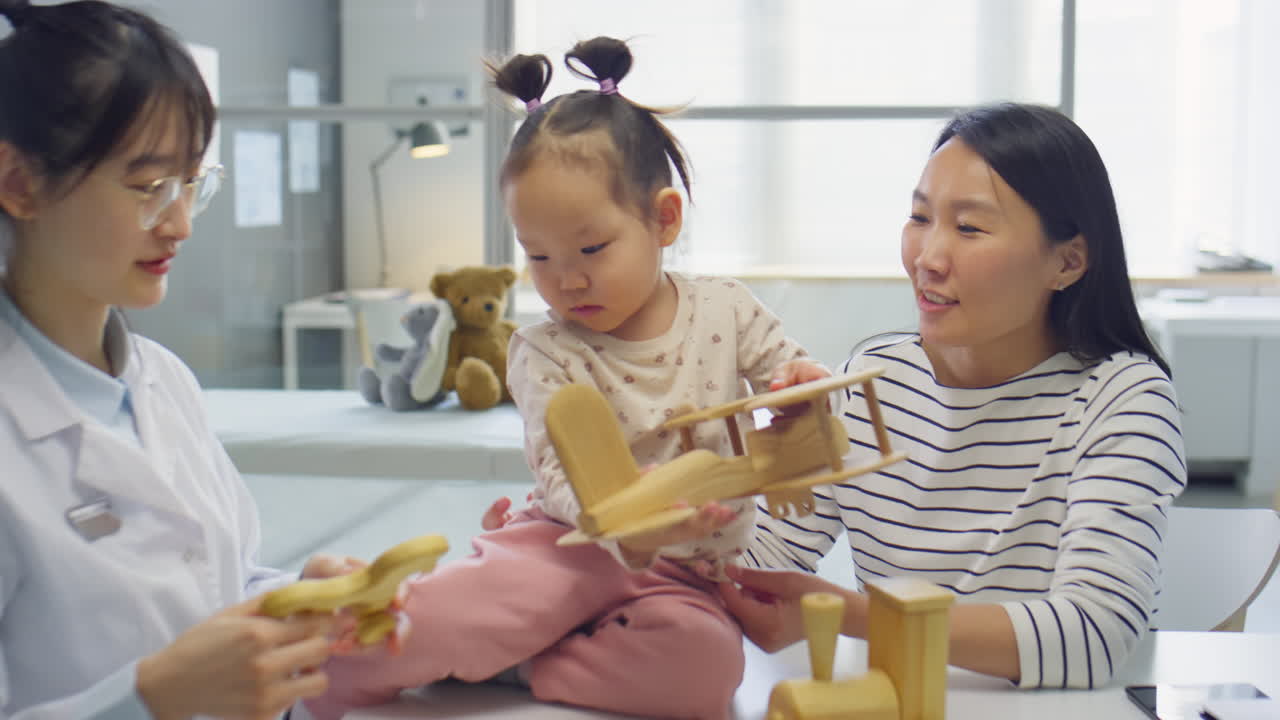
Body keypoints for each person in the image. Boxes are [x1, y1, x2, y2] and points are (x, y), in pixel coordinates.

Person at [306, 37, 812, 720]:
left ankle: (525, 663)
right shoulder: (542, 349)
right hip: (563, 547)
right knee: (435, 617)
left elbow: (792, 371)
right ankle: (390, 660)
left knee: (707, 671)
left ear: (663, 219)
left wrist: (796, 385)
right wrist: (624, 529)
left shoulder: (725, 307)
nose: (566, 278)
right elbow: (557, 470)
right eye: (538, 255)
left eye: (591, 248)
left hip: (684, 574)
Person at [719, 102, 1187, 691]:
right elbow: (758, 564)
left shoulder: (1121, 399)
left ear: (1067, 261)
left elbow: (1094, 632)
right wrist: (733, 483)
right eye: (919, 217)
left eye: (969, 228)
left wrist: (848, 615)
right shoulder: (870, 383)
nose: (928, 258)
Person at [0, 2, 364, 718]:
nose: (182, 222)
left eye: (194, 180)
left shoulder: (164, 383)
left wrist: (296, 602)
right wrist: (150, 697)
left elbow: (221, 585)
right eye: (147, 186)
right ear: (18, 184)